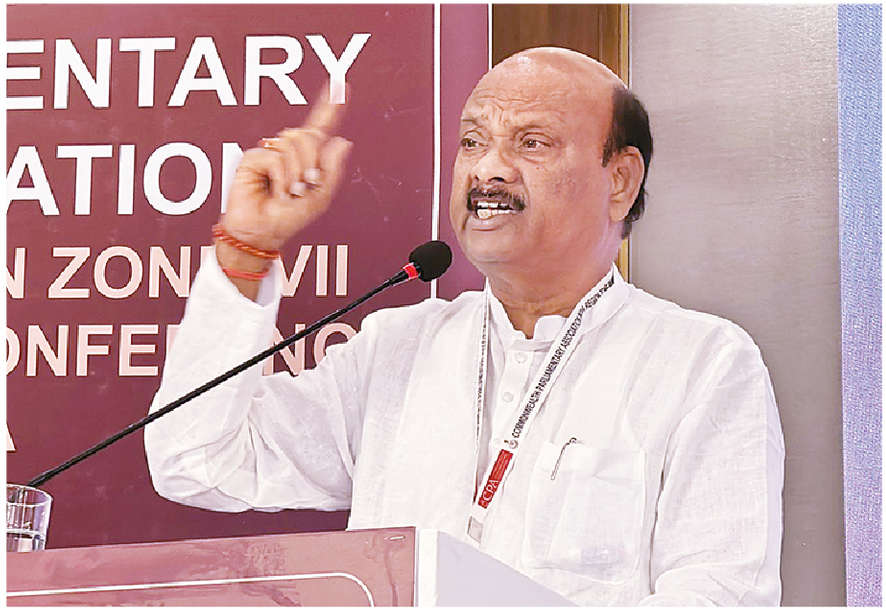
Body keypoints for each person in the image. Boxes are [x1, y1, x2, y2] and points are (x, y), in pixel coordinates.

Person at [145, 47, 784, 605]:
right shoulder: (396, 349)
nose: (487, 171)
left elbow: (717, 595)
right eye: (473, 142)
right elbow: (198, 460)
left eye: (531, 143)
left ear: (619, 180)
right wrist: (247, 250)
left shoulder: (701, 363)